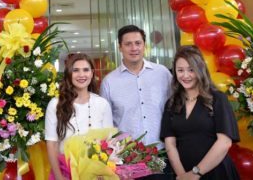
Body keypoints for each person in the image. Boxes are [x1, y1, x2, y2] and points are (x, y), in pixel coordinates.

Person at [100, 25, 173, 179]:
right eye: (128, 44)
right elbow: (106, 124)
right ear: (120, 47)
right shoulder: (109, 82)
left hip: (163, 155)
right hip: (127, 160)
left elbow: (175, 110)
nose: (134, 48)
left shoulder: (163, 74)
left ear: (144, 45)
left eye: (138, 43)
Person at [160, 45, 241, 180]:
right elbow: (170, 144)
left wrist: (195, 173)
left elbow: (224, 142)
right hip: (183, 173)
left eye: (191, 70)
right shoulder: (171, 103)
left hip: (217, 173)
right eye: (180, 70)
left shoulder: (218, 99)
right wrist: (182, 176)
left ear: (200, 70)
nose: (185, 75)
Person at [45, 53, 114, 180]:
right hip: (65, 172)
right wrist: (59, 177)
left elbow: (108, 143)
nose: (81, 75)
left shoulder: (102, 104)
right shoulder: (55, 104)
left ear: (92, 73)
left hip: (97, 174)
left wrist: (103, 171)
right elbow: (52, 145)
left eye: (86, 70)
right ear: (69, 74)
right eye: (76, 70)